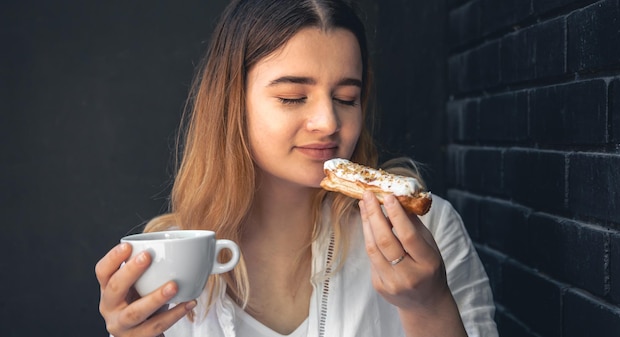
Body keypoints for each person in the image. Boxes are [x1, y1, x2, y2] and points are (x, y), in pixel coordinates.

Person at [95, 0, 499, 336]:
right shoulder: (168, 259)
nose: (328, 122)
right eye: (292, 97)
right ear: (231, 104)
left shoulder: (428, 235)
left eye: (346, 97)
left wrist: (428, 307)